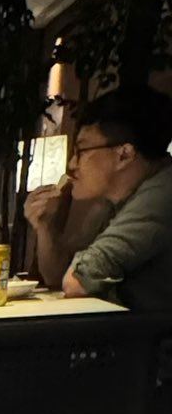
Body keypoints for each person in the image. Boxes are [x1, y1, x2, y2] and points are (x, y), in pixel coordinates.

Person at [24, 88, 172, 311]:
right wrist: (45, 227)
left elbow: (76, 281)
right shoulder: (114, 201)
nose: (72, 164)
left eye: (81, 151)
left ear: (124, 155)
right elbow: (58, 277)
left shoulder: (162, 194)